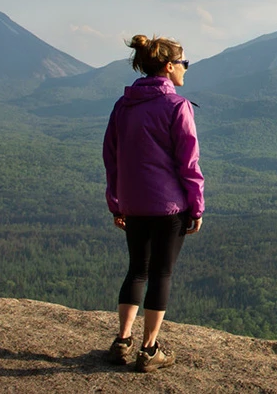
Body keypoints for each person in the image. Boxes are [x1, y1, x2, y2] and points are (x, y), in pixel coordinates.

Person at [102, 34, 205, 373]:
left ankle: (121, 340)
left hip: (132, 203)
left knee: (136, 269)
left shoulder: (123, 105)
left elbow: (111, 157)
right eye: (184, 64)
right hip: (169, 207)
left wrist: (117, 202)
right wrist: (196, 207)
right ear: (169, 66)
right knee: (161, 273)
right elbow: (188, 164)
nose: (186, 70)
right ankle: (149, 349)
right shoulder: (177, 107)